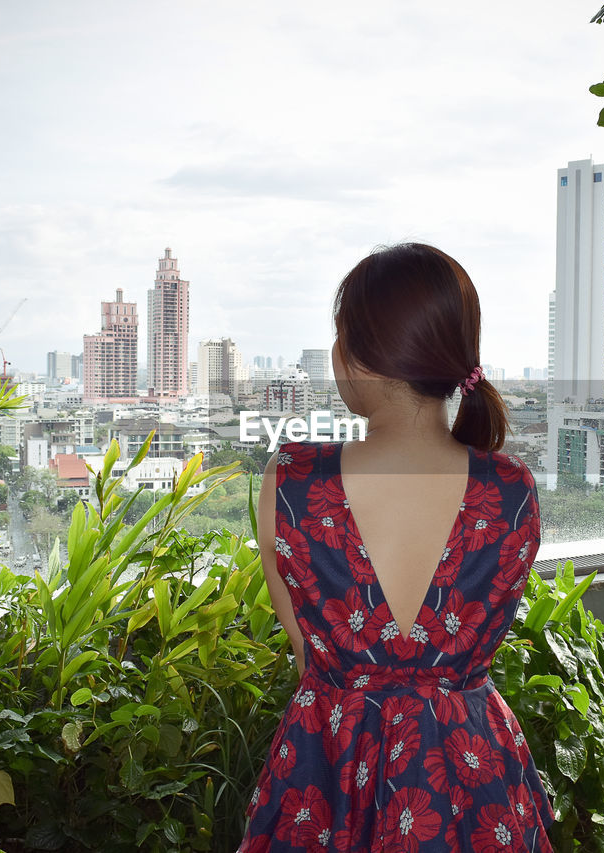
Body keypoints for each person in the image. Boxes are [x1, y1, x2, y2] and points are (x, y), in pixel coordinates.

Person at [238, 243, 554, 852]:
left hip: (327, 773)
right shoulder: (512, 491)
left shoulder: (295, 482)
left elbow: (311, 659)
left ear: (359, 355)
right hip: (472, 777)